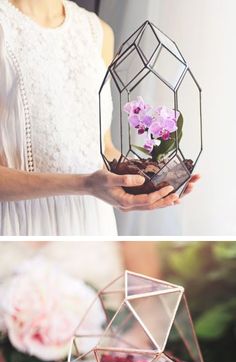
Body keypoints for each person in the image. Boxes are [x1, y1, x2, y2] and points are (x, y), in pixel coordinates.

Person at [0, 0, 199, 236]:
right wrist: (85, 185)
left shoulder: (98, 32)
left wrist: (148, 181)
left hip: (92, 223)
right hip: (20, 226)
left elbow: (103, 148)